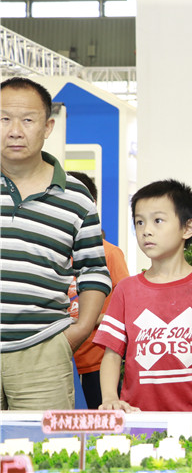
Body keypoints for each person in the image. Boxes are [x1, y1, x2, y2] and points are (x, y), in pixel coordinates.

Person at [0, 77, 111, 410]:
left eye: (27, 120)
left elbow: (94, 271)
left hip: (43, 352)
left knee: (43, 442)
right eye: (4, 119)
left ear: (47, 126)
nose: (15, 131)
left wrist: (77, 332)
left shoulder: (76, 197)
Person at [94, 179, 192, 412]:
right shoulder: (126, 290)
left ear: (187, 228)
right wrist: (110, 397)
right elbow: (111, 354)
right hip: (137, 417)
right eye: (139, 222)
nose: (146, 230)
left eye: (158, 220)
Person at [66, 171, 130, 409]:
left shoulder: (110, 253)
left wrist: (92, 319)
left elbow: (126, 311)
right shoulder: (49, 254)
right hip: (58, 360)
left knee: (97, 424)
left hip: (96, 363)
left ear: (90, 205)